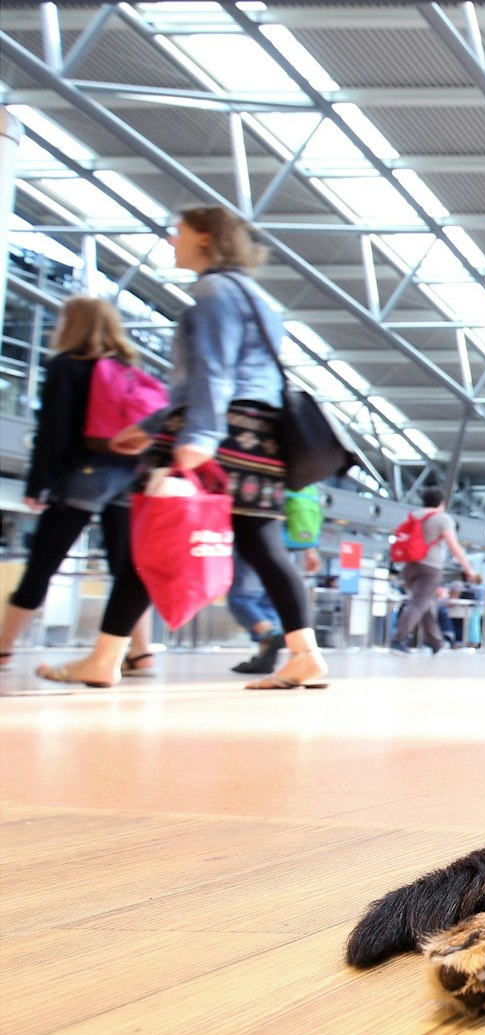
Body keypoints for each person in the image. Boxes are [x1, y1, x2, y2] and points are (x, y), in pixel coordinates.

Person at [42, 207, 328, 689]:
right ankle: (305, 654)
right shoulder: (255, 296)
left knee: (154, 541)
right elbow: (233, 374)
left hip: (219, 433)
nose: (171, 241)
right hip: (256, 432)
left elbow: (215, 373)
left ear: (205, 237)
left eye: (178, 232)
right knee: (259, 545)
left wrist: (196, 439)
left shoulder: (214, 292)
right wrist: (153, 424)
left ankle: (104, 659)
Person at [1, 297, 153, 675]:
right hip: (129, 474)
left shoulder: (66, 366)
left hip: (84, 475)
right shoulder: (128, 368)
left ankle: (3, 649)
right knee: (127, 567)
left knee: (43, 562)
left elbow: (52, 431)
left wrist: (38, 483)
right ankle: (141, 653)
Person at [390, 486, 477, 655]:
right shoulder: (442, 519)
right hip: (430, 568)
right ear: (441, 503)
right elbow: (454, 546)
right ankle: (398, 639)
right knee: (418, 603)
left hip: (409, 566)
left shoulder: (413, 516)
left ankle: (435, 642)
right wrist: (468, 569)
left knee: (424, 603)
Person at [226, 554, 284, 675]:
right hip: (283, 548)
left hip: (254, 546)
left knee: (240, 598)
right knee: (266, 603)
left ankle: (271, 634)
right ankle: (263, 656)